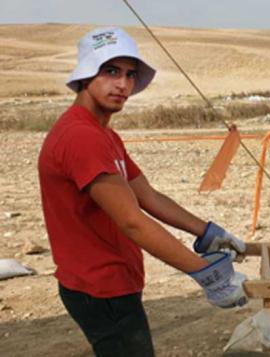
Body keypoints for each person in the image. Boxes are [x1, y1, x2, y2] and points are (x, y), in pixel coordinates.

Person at [38, 27, 248, 356]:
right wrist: (206, 274)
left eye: (130, 74)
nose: (122, 84)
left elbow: (148, 197)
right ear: (85, 75)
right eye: (110, 71)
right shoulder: (81, 137)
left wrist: (208, 232)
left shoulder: (104, 134)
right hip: (100, 286)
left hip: (113, 279)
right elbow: (132, 221)